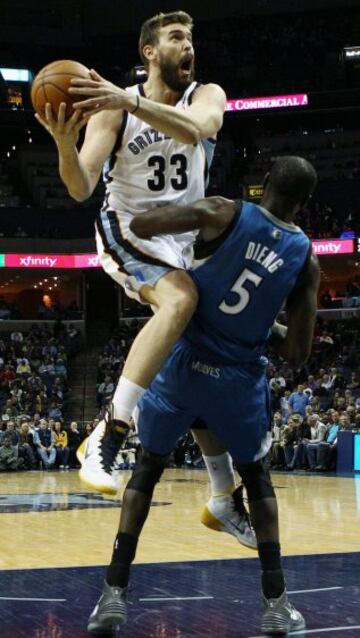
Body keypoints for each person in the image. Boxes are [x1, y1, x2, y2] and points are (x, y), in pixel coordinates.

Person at [35, 10, 252, 542]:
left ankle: (222, 493)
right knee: (178, 303)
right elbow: (82, 185)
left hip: (184, 238)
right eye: (177, 38)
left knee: (200, 354)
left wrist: (128, 98)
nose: (188, 46)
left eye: (191, 38)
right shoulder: (113, 112)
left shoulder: (206, 94)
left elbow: (201, 128)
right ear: (150, 52)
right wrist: (65, 144)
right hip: (128, 226)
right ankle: (108, 432)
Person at [86, 156, 320, 636]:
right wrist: (263, 324)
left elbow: (146, 224)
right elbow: (298, 353)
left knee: (146, 472)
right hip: (237, 381)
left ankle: (112, 595)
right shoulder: (307, 259)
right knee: (258, 480)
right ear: (305, 202)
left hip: (182, 365)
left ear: (266, 182)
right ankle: (276, 604)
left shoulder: (222, 211)